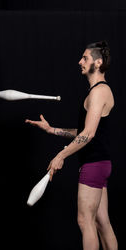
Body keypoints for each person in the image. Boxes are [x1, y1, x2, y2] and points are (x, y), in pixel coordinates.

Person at [25, 41, 117, 250]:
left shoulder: (99, 92)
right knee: (102, 223)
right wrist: (52, 130)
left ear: (98, 62)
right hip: (99, 163)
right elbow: (84, 132)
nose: (80, 62)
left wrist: (61, 155)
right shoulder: (97, 91)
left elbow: (89, 134)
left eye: (85, 58)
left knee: (85, 221)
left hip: (94, 165)